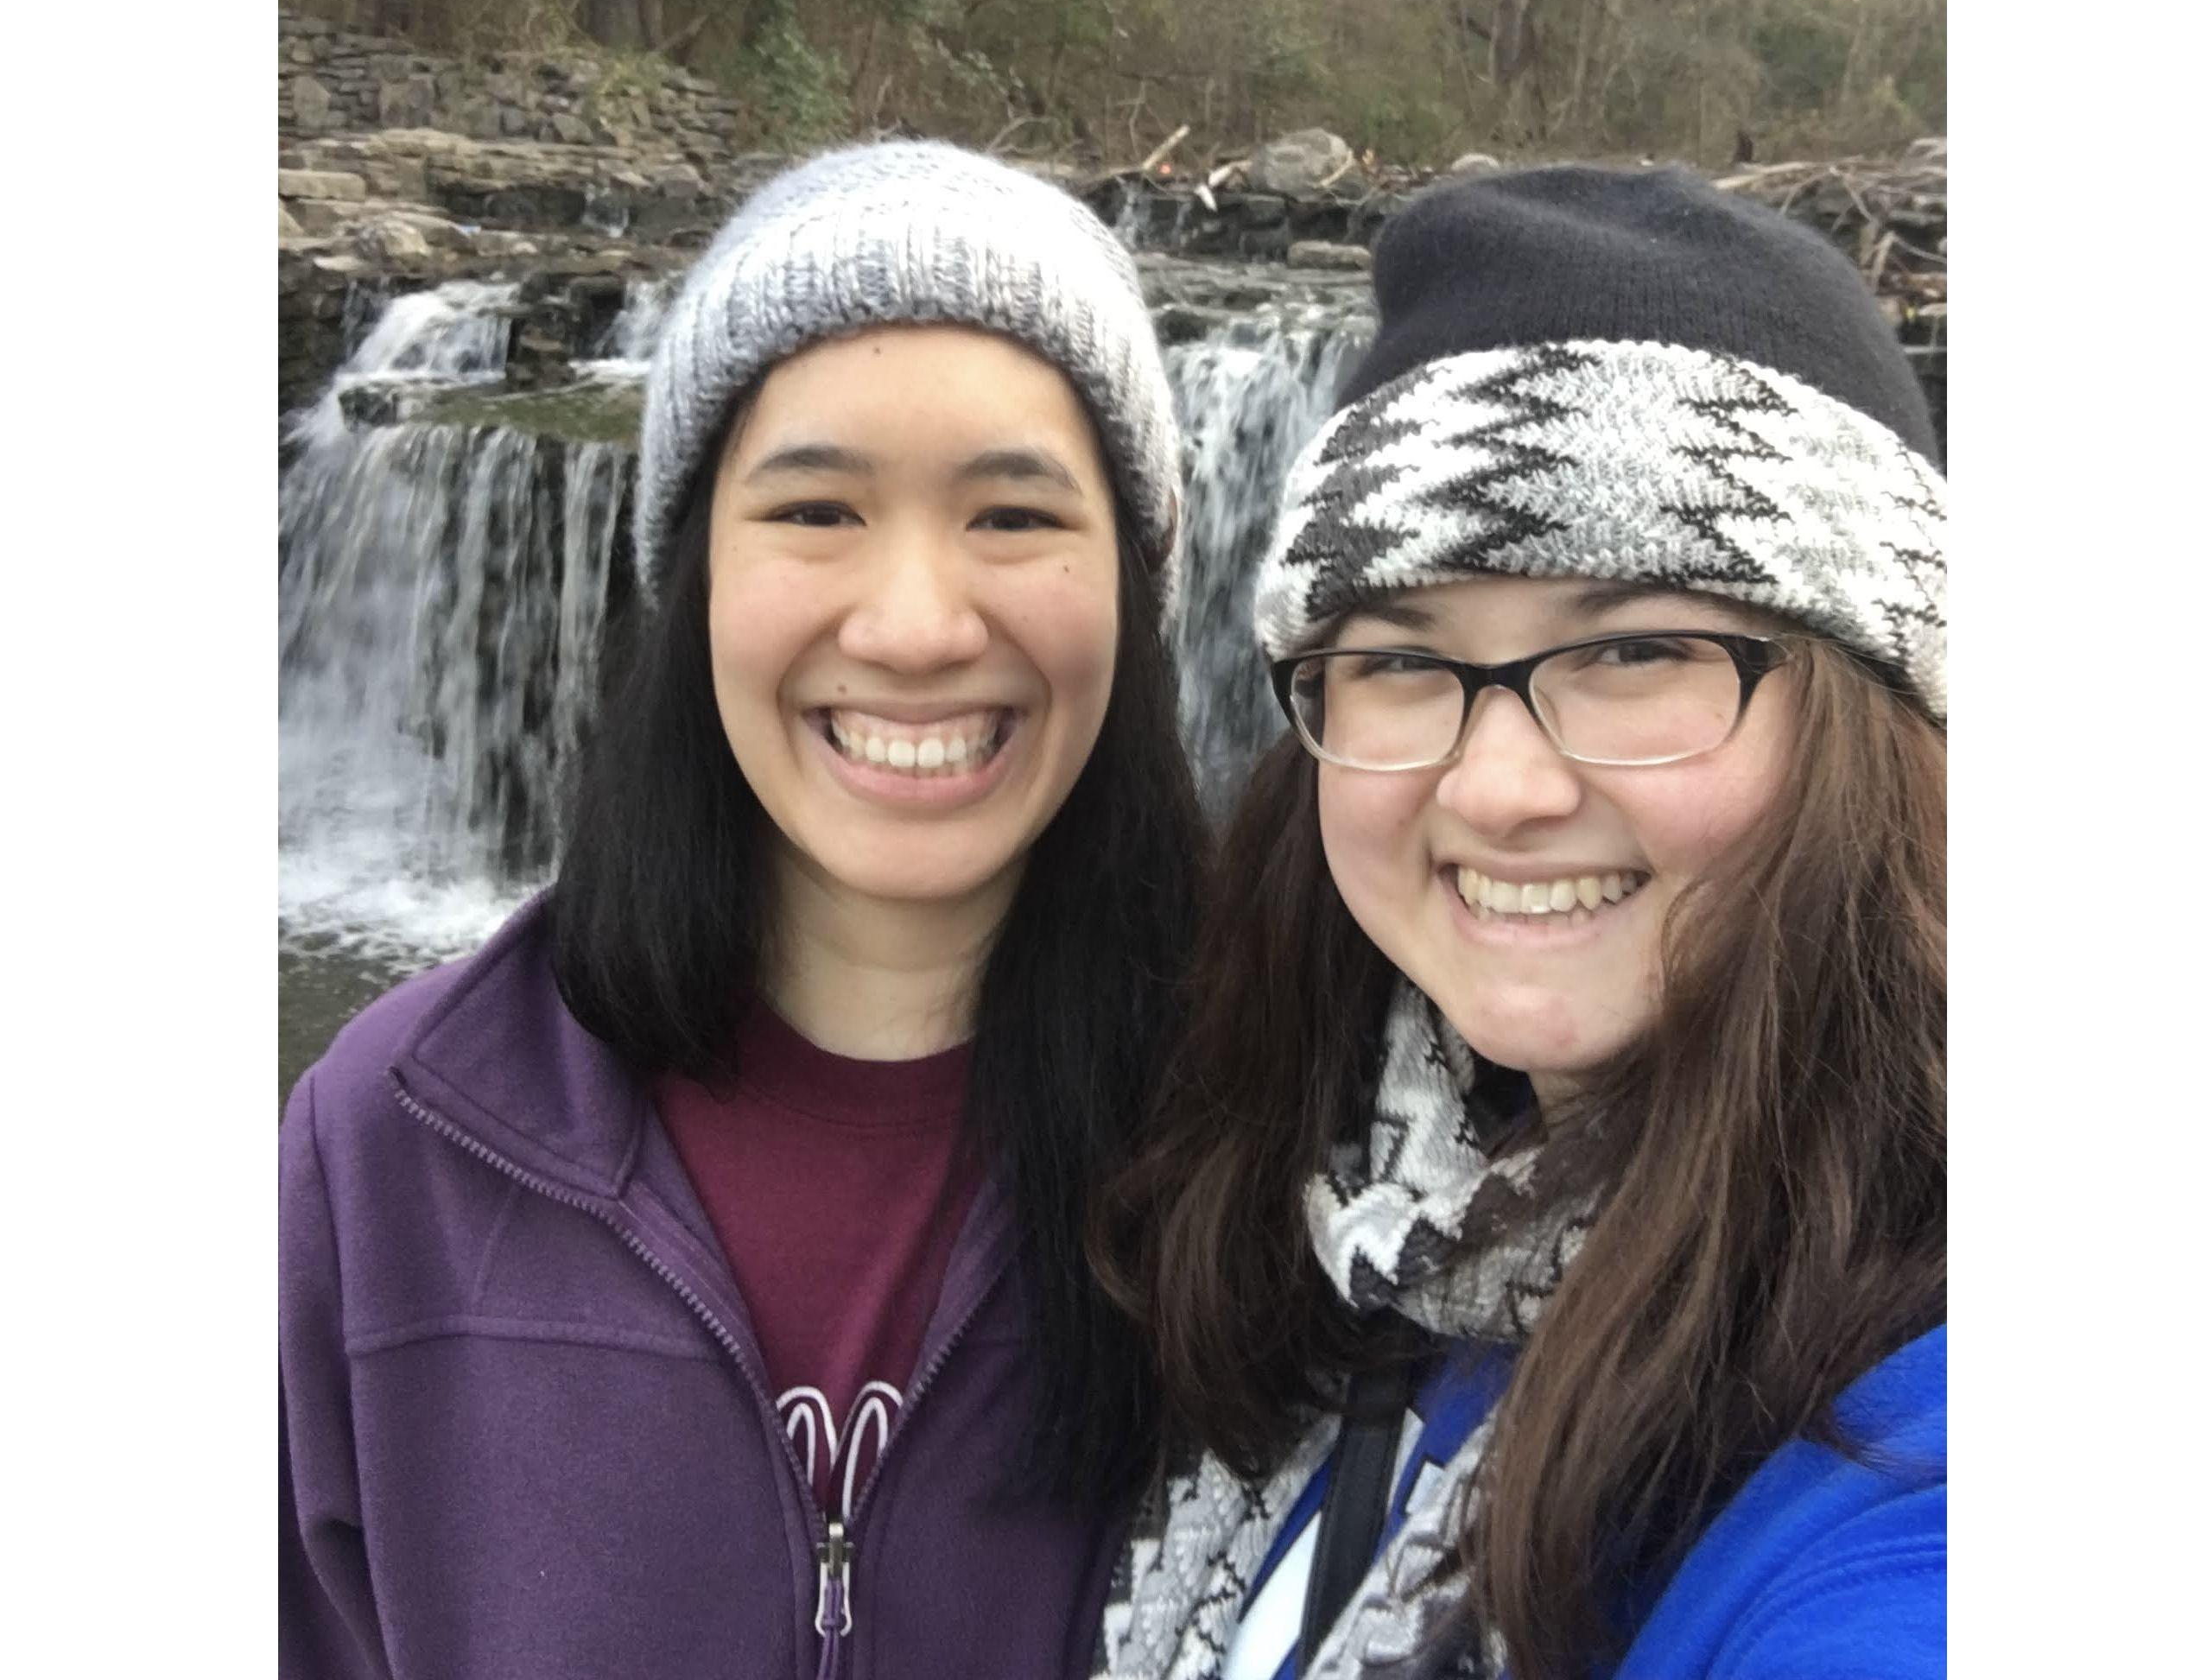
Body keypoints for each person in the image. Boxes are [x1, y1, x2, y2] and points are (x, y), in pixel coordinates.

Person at [281, 142, 1208, 1680]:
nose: (914, 626)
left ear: (1134, 580)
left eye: (1013, 518)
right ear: (695, 568)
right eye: (816, 511)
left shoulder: (1286, 1147)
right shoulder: (388, 1154)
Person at [1094, 162, 1946, 1680]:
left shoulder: (1918, 1457)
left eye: (1629, 650)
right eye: (1406, 663)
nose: (1497, 788)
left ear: (1875, 716)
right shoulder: (1356, 1221)